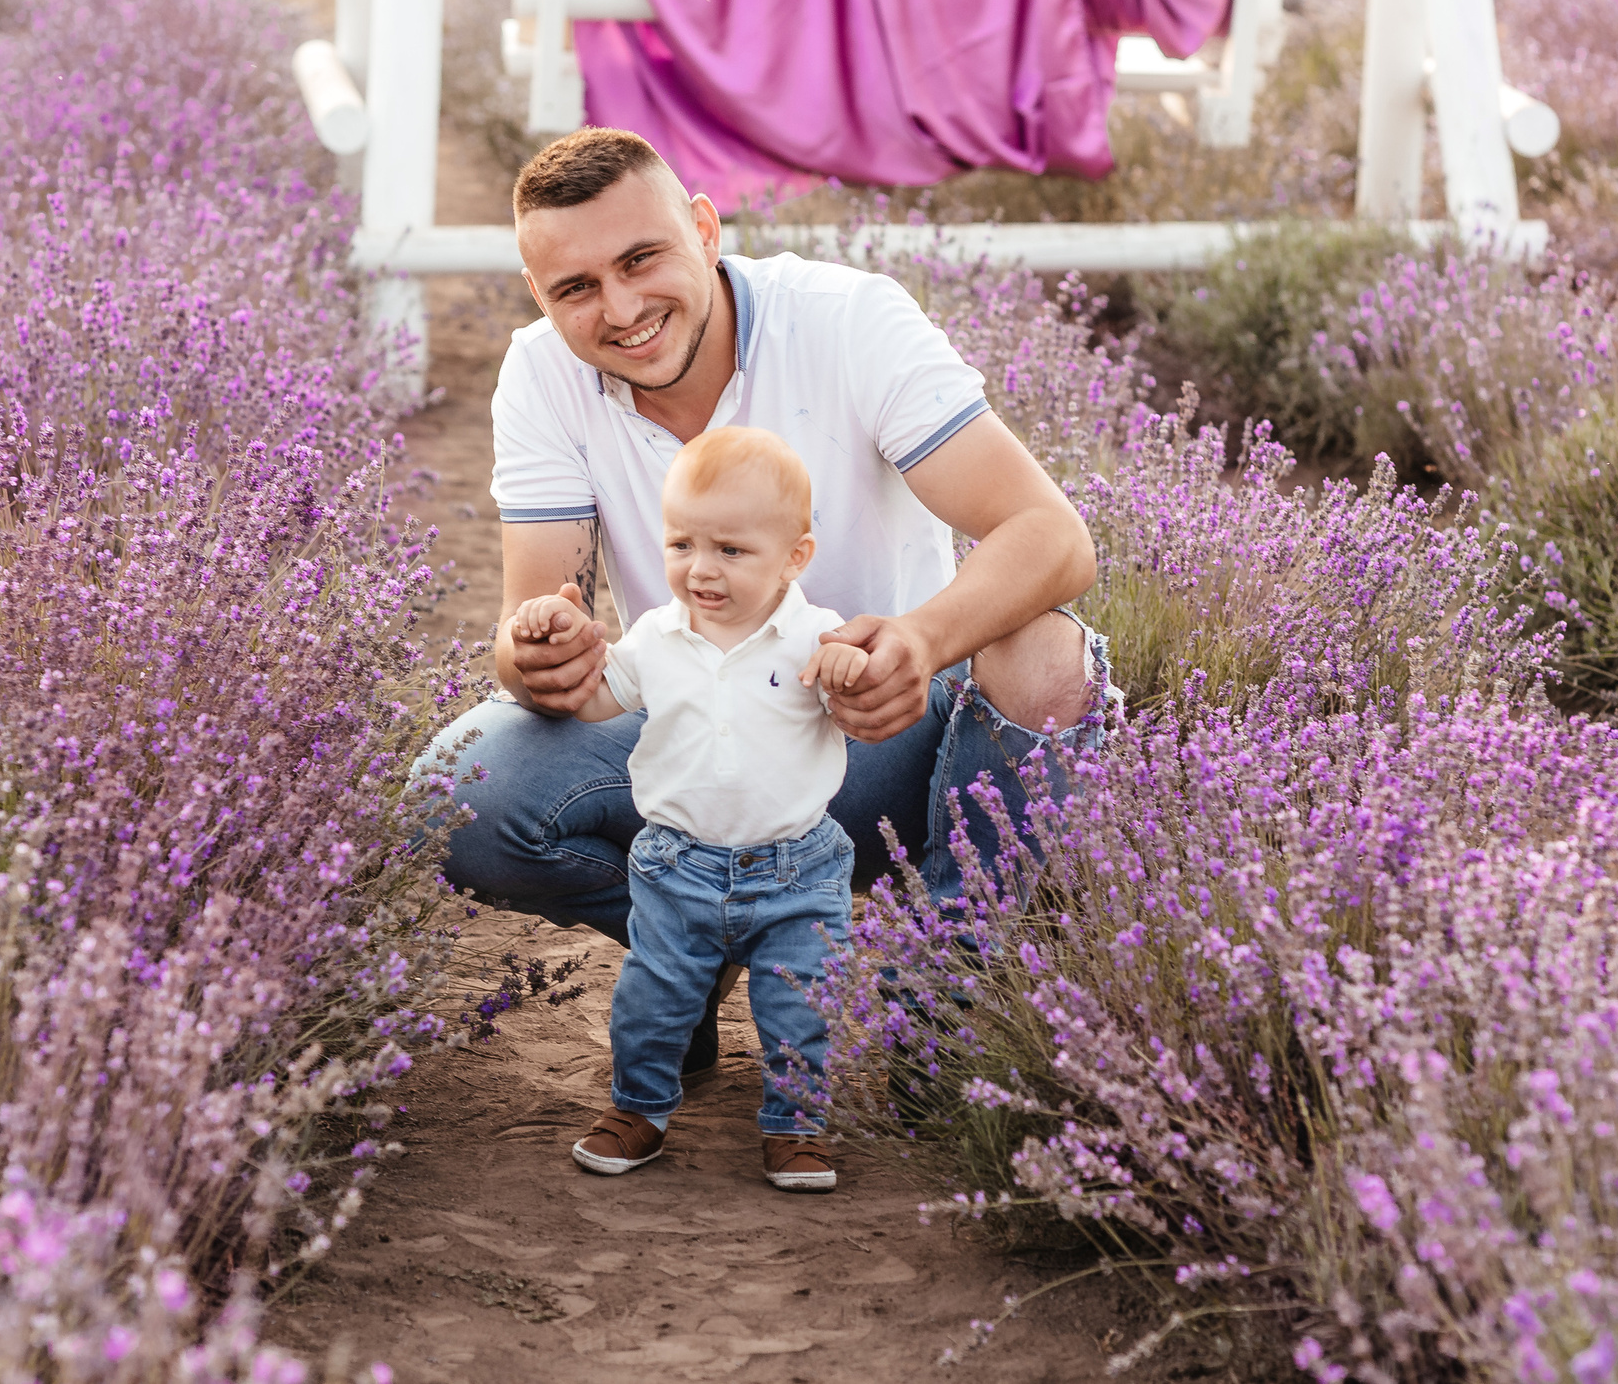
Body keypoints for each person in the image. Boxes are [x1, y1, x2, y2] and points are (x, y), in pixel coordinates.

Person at [419, 125, 1109, 1086]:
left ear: (703, 228)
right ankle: (687, 953)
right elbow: (534, 622)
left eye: (641, 258)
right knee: (457, 792)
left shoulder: (847, 319)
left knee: (1047, 653)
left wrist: (919, 637)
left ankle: (945, 1008)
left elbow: (1053, 534)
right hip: (695, 744)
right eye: (576, 287)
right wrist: (537, 652)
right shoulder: (541, 372)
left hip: (885, 739)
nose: (620, 309)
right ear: (540, 295)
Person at [512, 425, 866, 1190]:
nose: (700, 569)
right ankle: (639, 1106)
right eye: (681, 545)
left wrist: (849, 668)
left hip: (796, 866)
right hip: (678, 863)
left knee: (802, 1003)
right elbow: (600, 695)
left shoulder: (811, 634)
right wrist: (569, 635)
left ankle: (796, 1123)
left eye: (731, 551)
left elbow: (858, 698)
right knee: (652, 998)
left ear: (794, 556)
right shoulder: (657, 637)